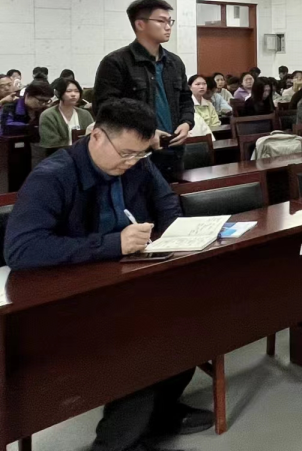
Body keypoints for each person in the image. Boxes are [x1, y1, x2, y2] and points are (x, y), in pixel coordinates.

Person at [4, 98, 214, 445]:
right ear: (97, 136)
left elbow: (166, 202)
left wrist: (178, 235)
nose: (131, 162)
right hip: (73, 292)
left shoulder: (138, 163)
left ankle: (161, 412)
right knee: (142, 343)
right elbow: (21, 249)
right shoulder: (52, 177)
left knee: (192, 319)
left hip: (130, 278)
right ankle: (117, 442)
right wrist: (112, 244)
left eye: (140, 155)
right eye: (126, 153)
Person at [93, 0, 194, 183]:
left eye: (169, 21)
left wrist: (187, 123)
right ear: (140, 24)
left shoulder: (174, 62)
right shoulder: (116, 62)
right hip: (135, 154)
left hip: (173, 150)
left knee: (172, 197)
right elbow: (105, 109)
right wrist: (147, 133)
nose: (168, 27)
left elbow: (186, 99)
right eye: (161, 21)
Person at [39, 78, 93, 150]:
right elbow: (51, 143)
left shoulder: (85, 114)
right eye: (68, 91)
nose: (73, 94)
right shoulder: (48, 115)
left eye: (77, 91)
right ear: (59, 93)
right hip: (57, 154)